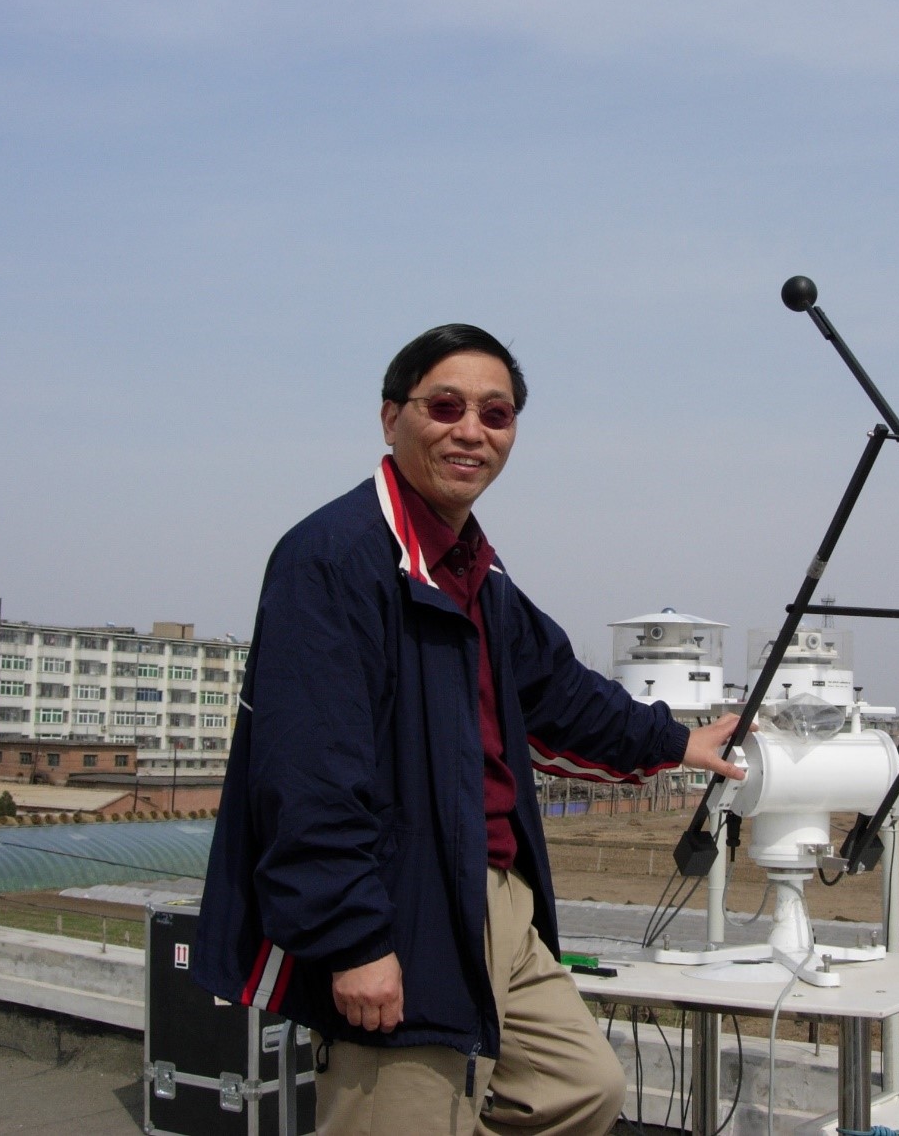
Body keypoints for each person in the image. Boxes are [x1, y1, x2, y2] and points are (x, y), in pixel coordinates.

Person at [196, 324, 744, 1136]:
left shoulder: (472, 569)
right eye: (445, 406)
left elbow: (557, 693)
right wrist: (353, 942)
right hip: (399, 898)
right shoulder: (335, 557)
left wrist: (676, 742)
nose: (471, 431)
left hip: (495, 894)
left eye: (497, 414)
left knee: (578, 1087)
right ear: (391, 418)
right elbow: (307, 775)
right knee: (404, 1114)